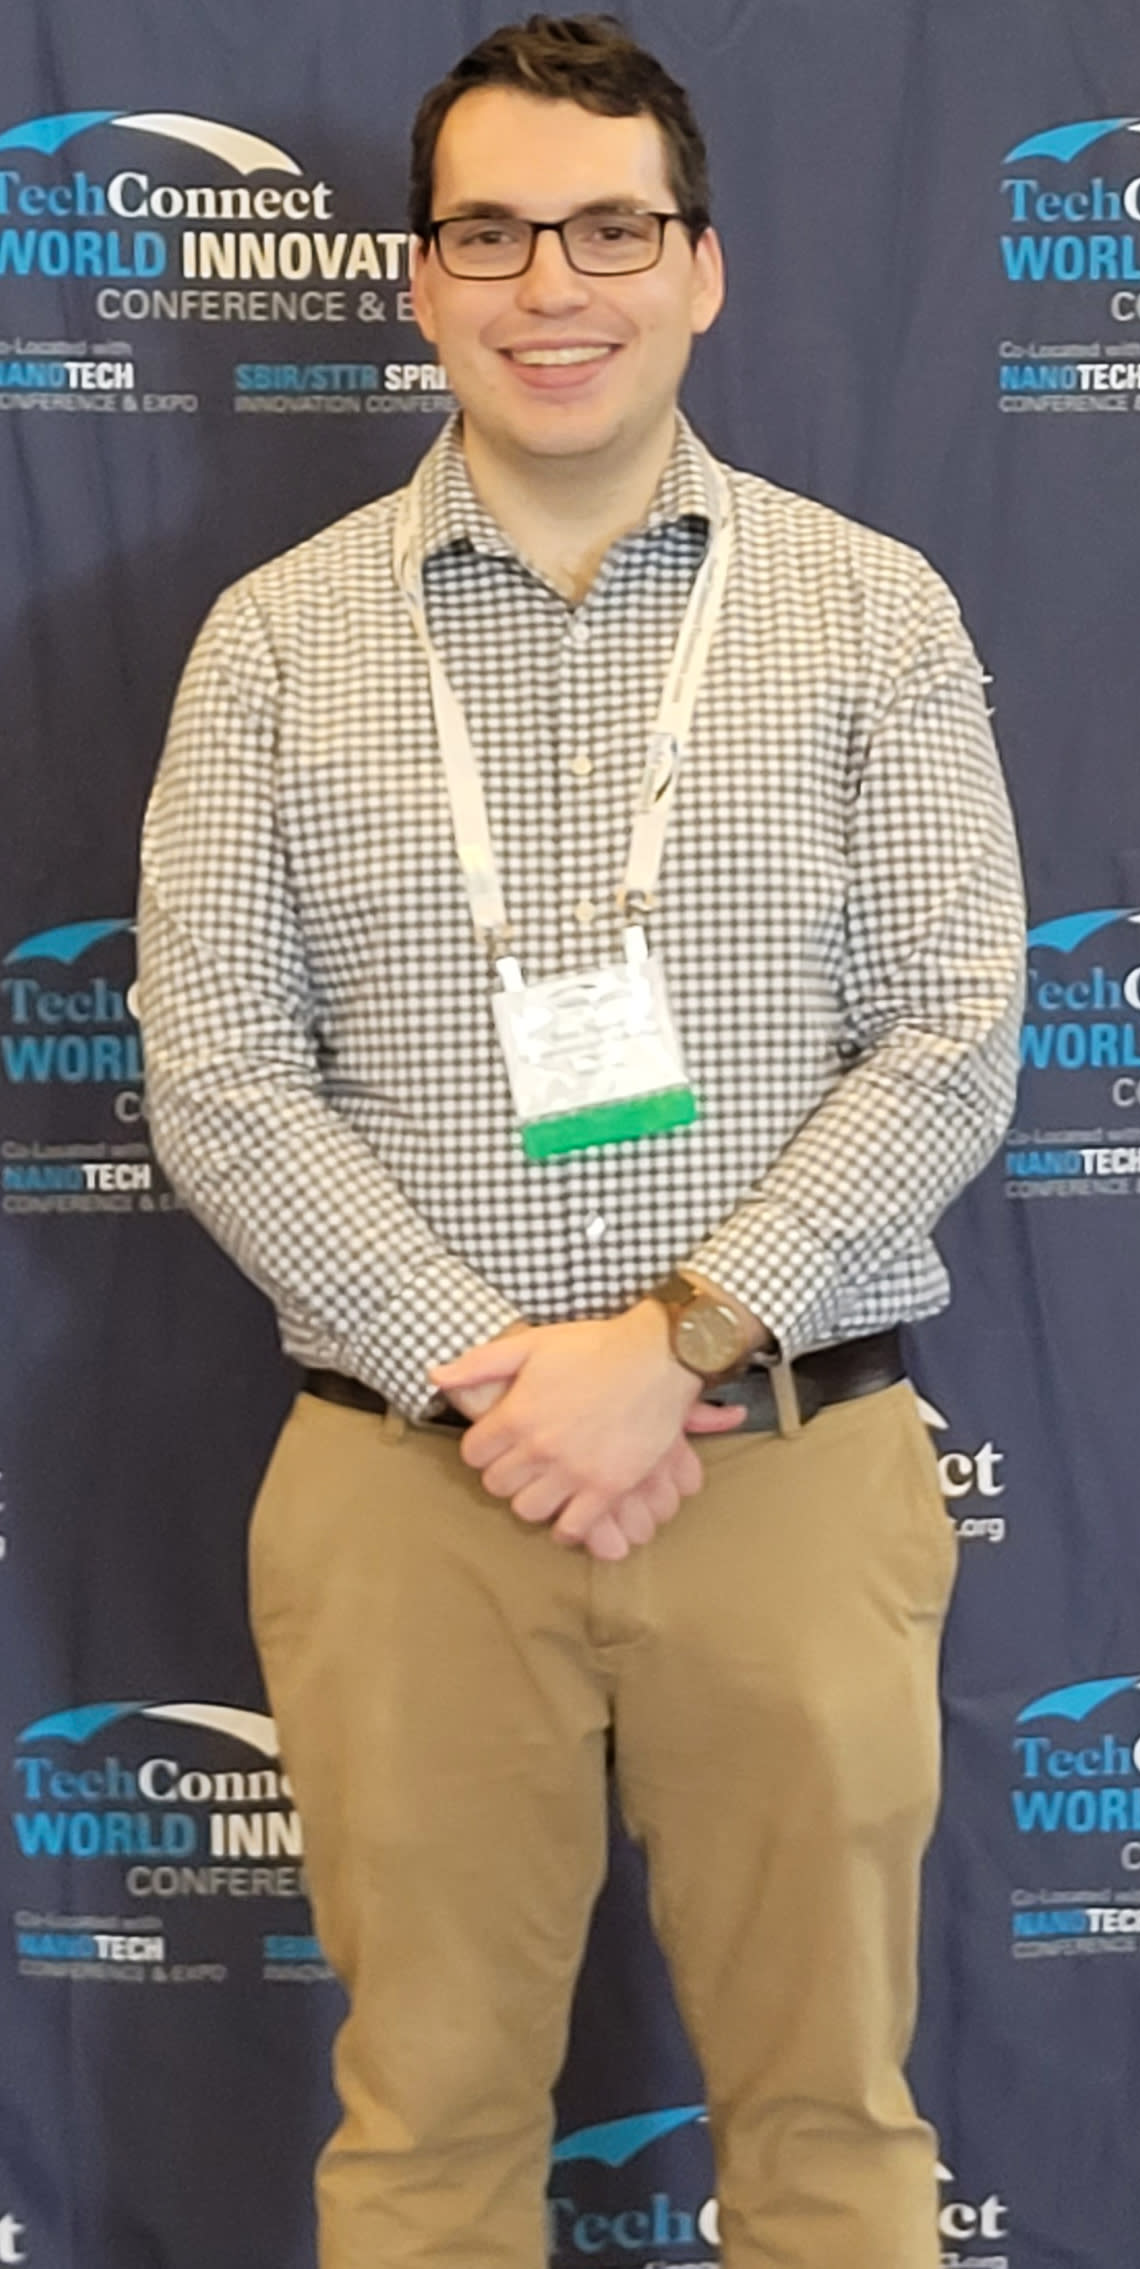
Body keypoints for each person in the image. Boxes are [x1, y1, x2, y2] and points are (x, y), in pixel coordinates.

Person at [137, 14, 1025, 2267]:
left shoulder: (871, 612)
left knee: (830, 2127)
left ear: (700, 267)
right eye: (493, 233)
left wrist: (671, 1341)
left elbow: (950, 1035)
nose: (554, 286)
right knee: (423, 2139)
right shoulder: (271, 646)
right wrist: (505, 1376)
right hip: (408, 1494)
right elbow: (218, 1070)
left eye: (611, 230)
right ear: (417, 281)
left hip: (787, 1466)